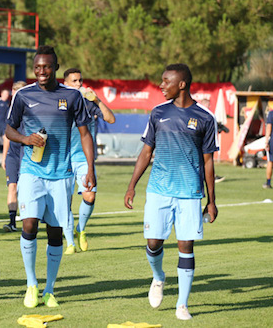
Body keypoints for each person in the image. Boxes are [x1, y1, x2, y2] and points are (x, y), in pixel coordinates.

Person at [124, 63, 218, 321]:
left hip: (189, 192)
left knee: (185, 246)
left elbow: (209, 162)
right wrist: (132, 185)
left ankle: (182, 305)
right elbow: (146, 152)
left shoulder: (205, 118)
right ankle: (158, 277)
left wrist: (212, 201)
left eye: (166, 81)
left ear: (182, 84)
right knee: (153, 243)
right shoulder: (157, 113)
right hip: (158, 190)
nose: (161, 85)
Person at [6, 46, 95, 308]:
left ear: (55, 68)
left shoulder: (72, 96)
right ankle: (31, 284)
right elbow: (9, 129)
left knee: (55, 232)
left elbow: (85, 134)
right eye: (37, 67)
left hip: (61, 174)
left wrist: (89, 168)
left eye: (46, 67)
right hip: (32, 171)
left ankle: (49, 289)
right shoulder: (23, 95)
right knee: (29, 225)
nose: (41, 71)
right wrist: (24, 138)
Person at [61, 68, 115, 254]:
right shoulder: (60, 102)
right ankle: (69, 243)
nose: (78, 84)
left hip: (84, 158)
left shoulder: (88, 103)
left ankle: (80, 229)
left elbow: (111, 119)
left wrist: (98, 100)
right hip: (64, 158)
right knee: (64, 201)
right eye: (74, 81)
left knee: (89, 195)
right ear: (65, 83)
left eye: (80, 81)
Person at [1, 81, 26, 232]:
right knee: (12, 186)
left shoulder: (31, 110)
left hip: (26, 153)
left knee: (24, 188)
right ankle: (12, 222)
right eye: (15, 93)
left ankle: (28, 220)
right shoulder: (11, 111)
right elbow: (6, 136)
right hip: (13, 154)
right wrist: (4, 157)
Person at [265, 108, 273, 188]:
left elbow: (269, 127)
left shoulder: (271, 113)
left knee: (270, 162)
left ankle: (268, 182)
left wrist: (266, 141)